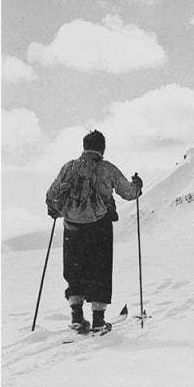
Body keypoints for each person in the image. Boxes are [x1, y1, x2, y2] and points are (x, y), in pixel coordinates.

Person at [45, 129, 143, 333]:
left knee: (74, 270)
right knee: (100, 270)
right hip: (100, 227)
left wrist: (55, 210)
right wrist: (137, 185)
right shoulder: (107, 169)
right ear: (102, 148)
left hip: (72, 227)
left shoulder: (69, 167)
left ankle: (77, 316)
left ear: (84, 146)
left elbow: (51, 194)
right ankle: (98, 319)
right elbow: (129, 193)